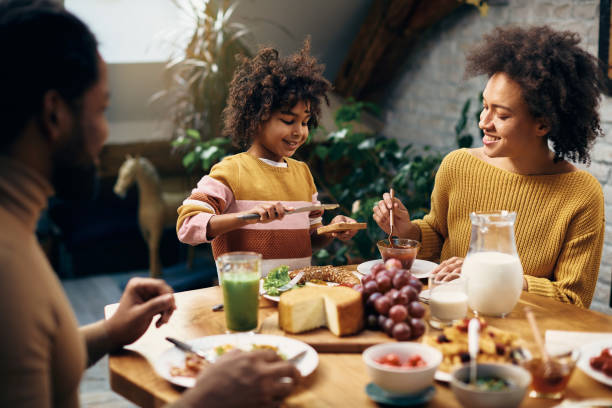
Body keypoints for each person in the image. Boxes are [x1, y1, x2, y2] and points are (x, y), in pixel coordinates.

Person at [0, 1, 298, 407]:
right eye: (103, 110)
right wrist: (206, 400)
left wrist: (107, 334)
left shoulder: (16, 234)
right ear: (54, 115)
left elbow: (36, 360)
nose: (106, 135)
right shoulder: (7, 267)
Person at [373, 25, 605, 308]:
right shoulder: (458, 165)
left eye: (502, 114)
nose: (484, 122)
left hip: (522, 337)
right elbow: (438, 233)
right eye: (485, 106)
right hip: (447, 319)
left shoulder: (581, 194)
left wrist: (491, 274)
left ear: (542, 123)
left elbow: (573, 299)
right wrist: (407, 230)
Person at [176, 41, 357, 275]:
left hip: (296, 295)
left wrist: (332, 230)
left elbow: (310, 240)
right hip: (247, 297)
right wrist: (248, 217)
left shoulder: (302, 173)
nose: (299, 131)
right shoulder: (231, 171)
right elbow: (187, 226)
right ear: (256, 119)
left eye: (304, 122)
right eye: (288, 120)